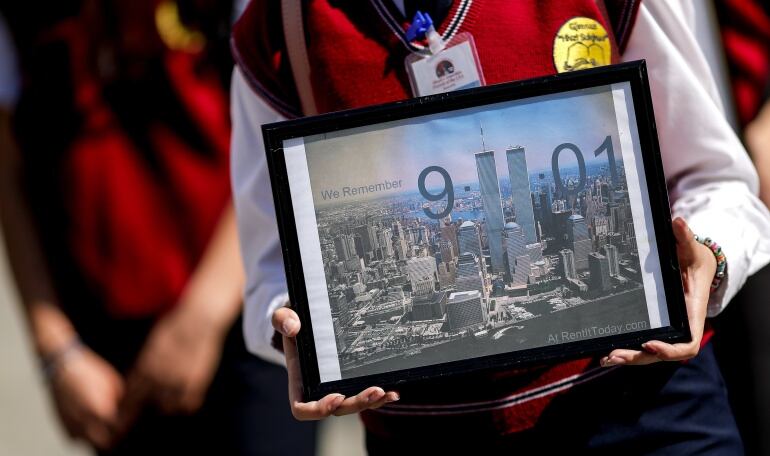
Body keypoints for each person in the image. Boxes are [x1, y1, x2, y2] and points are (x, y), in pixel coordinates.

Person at [230, 0, 770, 453]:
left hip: (651, 415)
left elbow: (715, 181)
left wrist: (707, 258)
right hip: (429, 440)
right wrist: (306, 340)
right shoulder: (281, 27)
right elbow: (270, 272)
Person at [0, 1, 316, 454]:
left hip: (249, 317)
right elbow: (10, 162)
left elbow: (283, 120)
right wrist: (55, 348)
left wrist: (201, 317)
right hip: (104, 343)